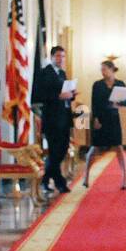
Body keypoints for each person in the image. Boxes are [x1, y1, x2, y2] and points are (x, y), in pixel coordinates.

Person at [81, 60, 126, 190]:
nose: (102, 72)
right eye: (101, 70)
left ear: (112, 69)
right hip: (101, 119)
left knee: (119, 147)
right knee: (94, 148)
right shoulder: (97, 85)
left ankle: (125, 179)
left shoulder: (120, 84)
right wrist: (95, 119)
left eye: (104, 69)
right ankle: (86, 176)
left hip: (114, 119)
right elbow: (94, 103)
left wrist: (119, 104)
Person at [32, 45, 75, 194]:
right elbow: (38, 96)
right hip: (52, 118)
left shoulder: (62, 73)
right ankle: (60, 182)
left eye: (62, 56)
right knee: (55, 150)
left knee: (62, 149)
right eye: (58, 56)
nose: (60, 59)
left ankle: (45, 178)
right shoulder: (45, 73)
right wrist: (58, 96)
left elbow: (65, 93)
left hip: (64, 117)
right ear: (51, 57)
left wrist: (71, 94)